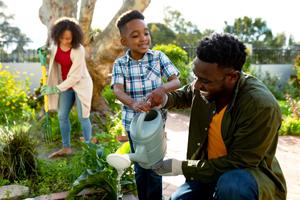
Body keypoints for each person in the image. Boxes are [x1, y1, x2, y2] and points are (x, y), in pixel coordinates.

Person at [149, 33, 287, 200]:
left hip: (247, 178)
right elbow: (188, 93)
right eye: (196, 77)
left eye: (205, 81)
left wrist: (181, 167)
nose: (198, 85)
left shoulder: (260, 105)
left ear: (232, 77)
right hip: (206, 174)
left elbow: (237, 163)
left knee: (232, 186)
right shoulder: (207, 84)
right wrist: (164, 99)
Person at [111, 10, 180, 200]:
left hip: (155, 125)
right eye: (135, 35)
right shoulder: (120, 64)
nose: (143, 38)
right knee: (141, 166)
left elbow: (176, 81)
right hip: (133, 126)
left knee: (155, 167)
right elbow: (117, 89)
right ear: (124, 41)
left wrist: (162, 89)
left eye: (146, 33)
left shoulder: (158, 57)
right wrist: (133, 103)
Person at [41, 17, 93, 158]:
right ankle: (66, 148)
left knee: (84, 117)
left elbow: (75, 77)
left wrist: (55, 89)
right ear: (57, 35)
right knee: (62, 115)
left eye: (68, 38)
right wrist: (44, 52)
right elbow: (51, 56)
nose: (65, 41)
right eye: (62, 38)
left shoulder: (78, 50)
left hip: (80, 85)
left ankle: (90, 150)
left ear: (74, 37)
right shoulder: (55, 46)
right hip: (65, 85)